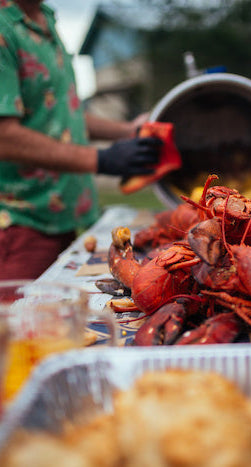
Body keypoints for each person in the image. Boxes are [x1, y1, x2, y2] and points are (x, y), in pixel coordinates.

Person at [0, 0, 162, 280]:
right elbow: (4, 137)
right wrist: (101, 159)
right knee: (20, 323)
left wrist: (128, 131)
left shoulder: (45, 18)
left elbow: (62, 112)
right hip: (20, 225)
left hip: (66, 218)